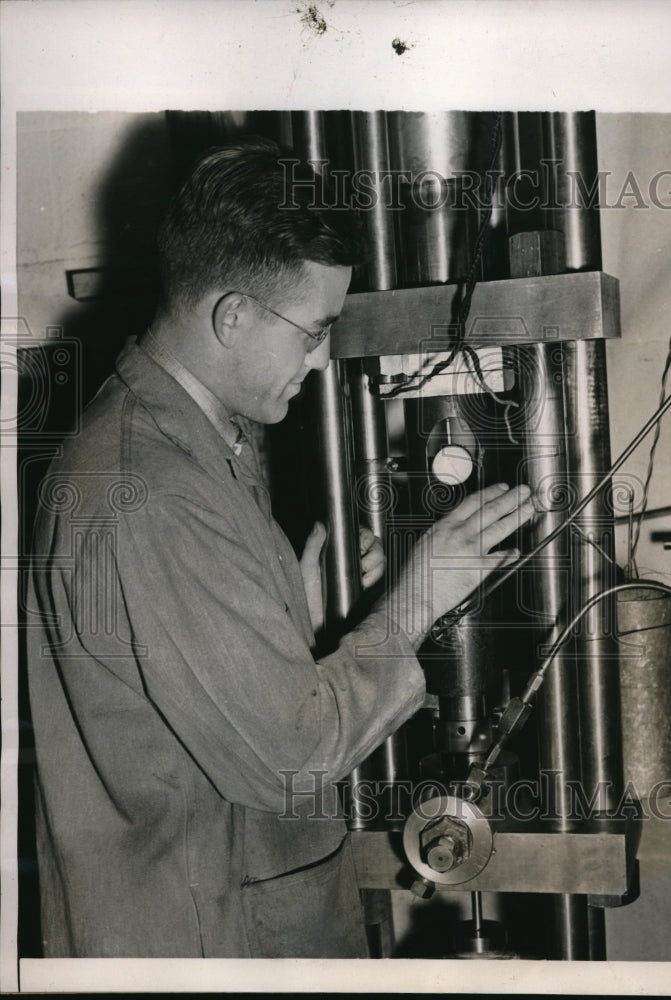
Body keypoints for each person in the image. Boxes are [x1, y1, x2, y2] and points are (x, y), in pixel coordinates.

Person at [26, 137, 533, 958]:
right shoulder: (151, 486)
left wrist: (289, 611)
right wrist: (414, 600)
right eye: (313, 331)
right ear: (232, 315)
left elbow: (177, 679)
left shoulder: (192, 437)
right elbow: (291, 758)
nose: (322, 357)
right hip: (206, 937)